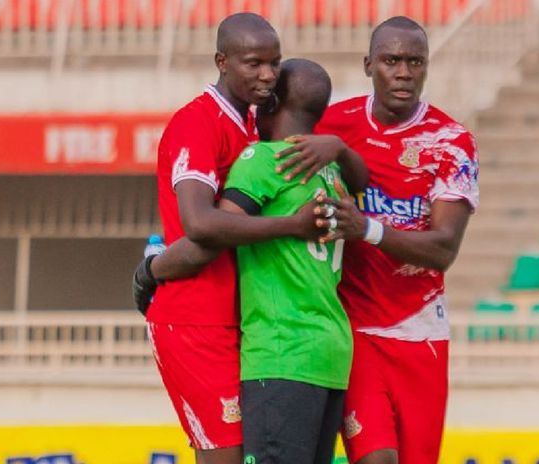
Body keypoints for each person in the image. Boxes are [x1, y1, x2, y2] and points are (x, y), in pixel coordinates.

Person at [138, 13, 351, 464]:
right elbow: (199, 224)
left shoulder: (253, 129)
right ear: (222, 61)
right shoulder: (197, 123)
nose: (268, 75)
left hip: (242, 323)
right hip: (194, 319)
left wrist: (338, 146)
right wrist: (292, 226)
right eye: (254, 64)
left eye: (274, 64)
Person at [306, 16, 480, 464]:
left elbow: (443, 249)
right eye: (391, 61)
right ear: (369, 65)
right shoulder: (332, 126)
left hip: (419, 330)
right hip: (355, 330)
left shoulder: (450, 142)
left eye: (415, 62)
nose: (403, 72)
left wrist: (367, 228)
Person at [223, 58, 353, 464]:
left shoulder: (264, 159)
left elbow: (217, 228)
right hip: (330, 352)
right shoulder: (332, 174)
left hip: (281, 351)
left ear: (272, 100)